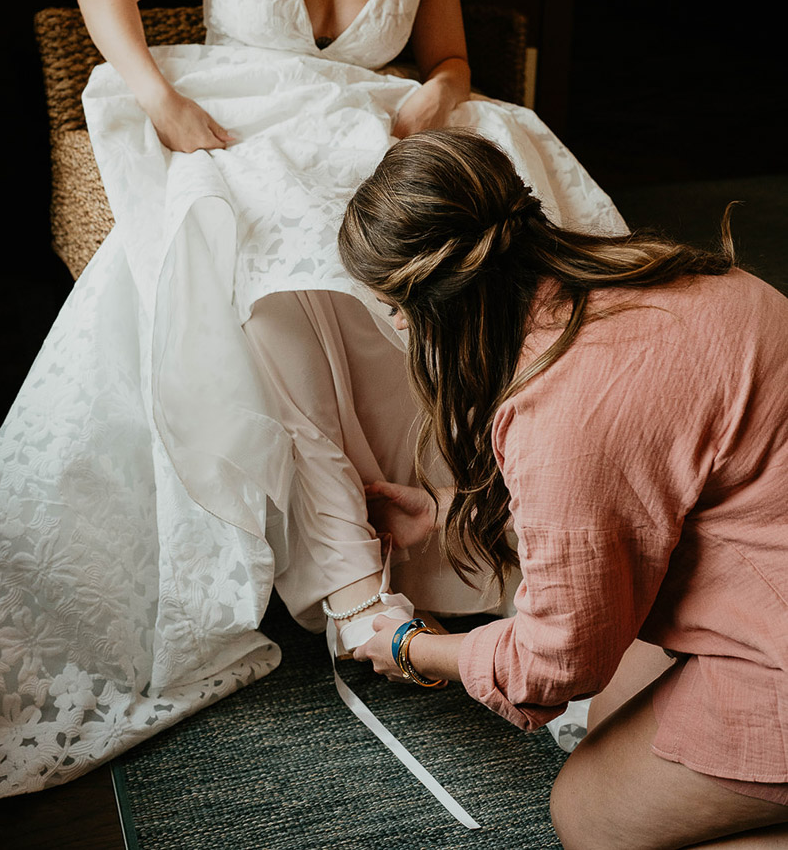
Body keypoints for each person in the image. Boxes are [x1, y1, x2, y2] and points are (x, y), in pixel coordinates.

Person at [0, 0, 626, 803]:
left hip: (367, 134)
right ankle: (349, 569)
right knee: (268, 260)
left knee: (485, 206)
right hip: (243, 129)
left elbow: (448, 59)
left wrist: (426, 106)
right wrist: (160, 99)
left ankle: (504, 513)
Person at [337, 127, 788, 850]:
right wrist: (445, 512)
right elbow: (627, 504)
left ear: (438, 304)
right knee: (613, 713)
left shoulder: (559, 408)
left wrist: (409, 644)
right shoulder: (665, 276)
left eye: (392, 306)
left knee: (586, 818)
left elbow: (556, 661)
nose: (392, 324)